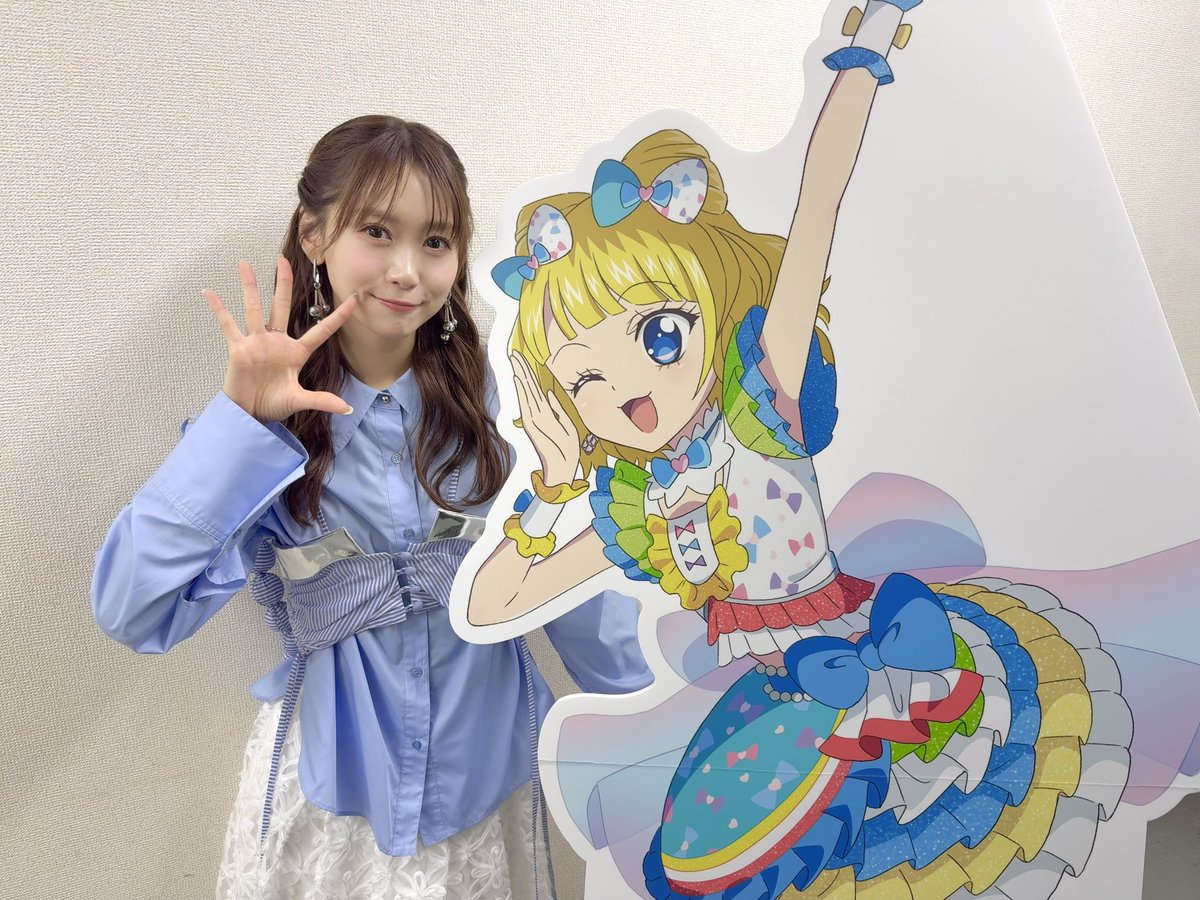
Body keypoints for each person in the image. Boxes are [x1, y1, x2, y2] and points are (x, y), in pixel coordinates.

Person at [467, 2, 1130, 897]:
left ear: (713, 306)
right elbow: (496, 598)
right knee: (709, 857)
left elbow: (817, 205)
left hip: (874, 665)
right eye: (585, 378)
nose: (627, 390)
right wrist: (552, 487)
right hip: (777, 703)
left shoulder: (758, 404)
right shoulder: (638, 503)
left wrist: (866, 47)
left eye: (659, 335)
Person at [91, 114, 652, 900]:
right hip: (328, 805)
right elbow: (131, 610)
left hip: (481, 800)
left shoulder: (511, 408)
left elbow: (576, 593)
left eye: (436, 241)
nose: (407, 271)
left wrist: (661, 739)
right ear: (314, 234)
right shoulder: (262, 427)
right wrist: (239, 428)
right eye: (378, 232)